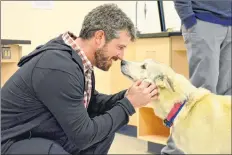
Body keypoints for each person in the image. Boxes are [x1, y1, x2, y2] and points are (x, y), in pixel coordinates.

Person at [1, 3, 159, 155]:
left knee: (103, 130)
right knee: (86, 135)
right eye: (120, 47)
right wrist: (129, 104)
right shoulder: (59, 67)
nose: (121, 56)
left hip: (34, 135)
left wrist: (126, 96)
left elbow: (91, 102)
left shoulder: (77, 60)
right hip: (9, 143)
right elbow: (83, 136)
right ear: (99, 37)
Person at [161, 0, 231, 154]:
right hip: (202, 21)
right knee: (199, 97)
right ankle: (174, 151)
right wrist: (189, 19)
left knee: (227, 98)